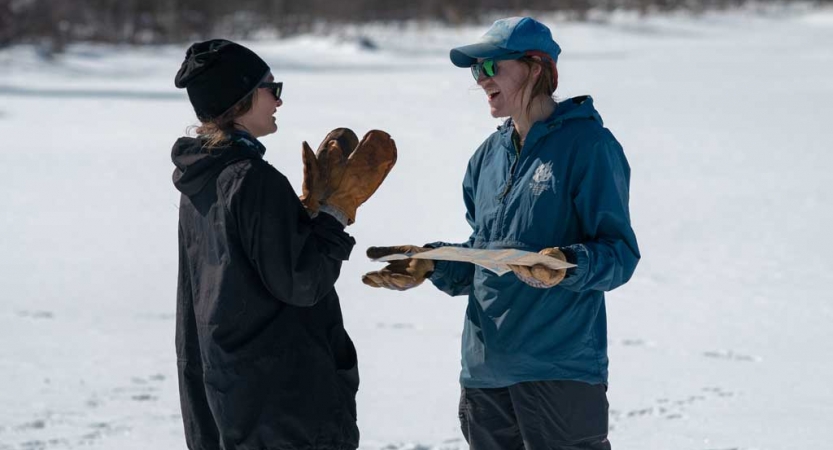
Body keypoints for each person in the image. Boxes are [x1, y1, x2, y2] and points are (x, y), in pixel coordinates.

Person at [362, 17, 640, 450]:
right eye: (476, 71)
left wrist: (567, 265)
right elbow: (485, 253)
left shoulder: (588, 146)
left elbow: (619, 254)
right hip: (485, 372)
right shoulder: (487, 157)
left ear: (535, 68)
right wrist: (434, 263)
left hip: (558, 369)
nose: (481, 80)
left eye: (492, 68)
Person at [172, 39, 395, 450]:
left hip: (228, 400)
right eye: (270, 88)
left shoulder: (200, 181)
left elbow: (249, 273)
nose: (278, 99)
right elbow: (303, 281)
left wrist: (303, 218)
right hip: (282, 409)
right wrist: (334, 215)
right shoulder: (251, 179)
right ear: (240, 98)